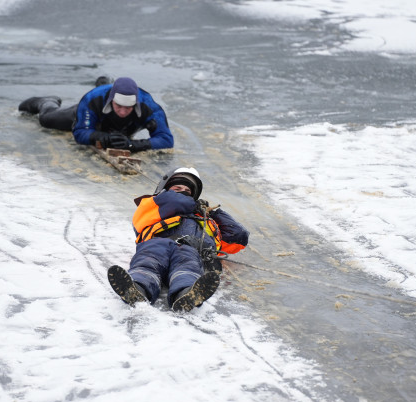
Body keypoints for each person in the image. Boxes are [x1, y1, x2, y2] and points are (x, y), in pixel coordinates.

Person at [107, 167, 249, 312]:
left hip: (189, 250)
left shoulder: (205, 219)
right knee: (147, 263)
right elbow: (175, 201)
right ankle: (137, 287)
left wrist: (215, 212)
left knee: (187, 267)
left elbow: (238, 236)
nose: (183, 192)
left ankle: (186, 293)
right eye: (177, 188)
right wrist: (193, 204)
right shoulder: (153, 204)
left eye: (188, 191)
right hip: (157, 244)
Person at [18, 76, 174, 153]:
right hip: (95, 119)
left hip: (121, 130)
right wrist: (101, 137)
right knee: (47, 119)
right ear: (111, 100)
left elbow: (166, 139)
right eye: (118, 106)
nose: (123, 112)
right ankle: (47, 101)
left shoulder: (150, 107)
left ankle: (106, 81)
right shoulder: (93, 99)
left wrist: (133, 145)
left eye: (129, 108)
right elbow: (79, 133)